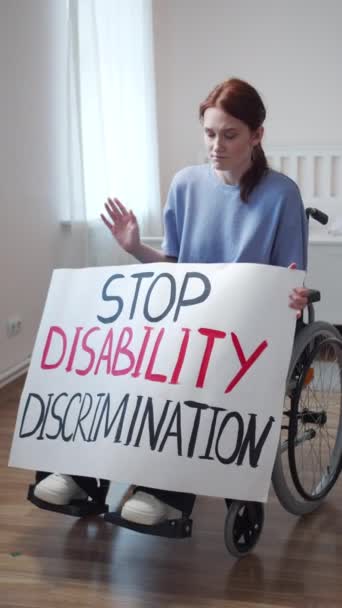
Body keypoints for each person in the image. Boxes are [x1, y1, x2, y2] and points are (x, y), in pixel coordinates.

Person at [33, 77, 309, 525]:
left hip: (246, 329)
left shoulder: (281, 195)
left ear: (257, 135)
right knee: (118, 359)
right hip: (188, 316)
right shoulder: (186, 184)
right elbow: (174, 265)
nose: (216, 145)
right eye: (210, 133)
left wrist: (294, 296)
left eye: (230, 134)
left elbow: (290, 278)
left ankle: (165, 494)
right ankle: (80, 473)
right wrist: (135, 249)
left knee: (189, 372)